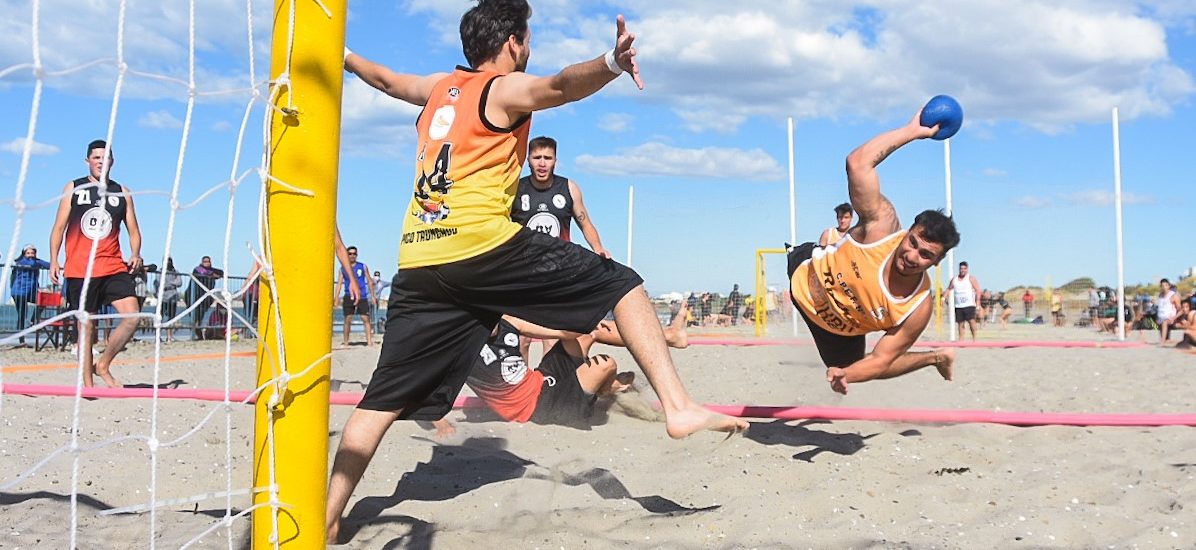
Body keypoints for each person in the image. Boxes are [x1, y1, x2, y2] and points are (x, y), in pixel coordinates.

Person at [330, 4, 745, 542]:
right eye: (526, 38)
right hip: (481, 246)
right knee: (622, 282)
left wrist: (340, 55)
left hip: (419, 258)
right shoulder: (500, 88)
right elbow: (560, 86)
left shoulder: (438, 87)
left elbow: (386, 80)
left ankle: (328, 514)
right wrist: (611, 63)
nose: (529, 47)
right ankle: (679, 406)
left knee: (380, 401)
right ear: (511, 42)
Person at [787, 108, 959, 395]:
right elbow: (858, 163)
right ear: (907, 232)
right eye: (913, 243)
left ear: (938, 262)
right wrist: (911, 132)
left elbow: (881, 360)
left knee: (867, 367)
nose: (912, 256)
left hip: (837, 334)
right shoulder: (882, 225)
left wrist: (848, 375)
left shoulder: (917, 308)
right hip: (804, 275)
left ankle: (935, 357)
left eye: (926, 255)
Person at [433, 308, 692, 434]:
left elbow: (558, 330)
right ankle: (607, 386)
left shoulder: (508, 320)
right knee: (607, 364)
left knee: (593, 329)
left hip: (542, 378)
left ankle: (668, 336)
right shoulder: (459, 348)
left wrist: (579, 323)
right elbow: (428, 383)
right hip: (540, 408)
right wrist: (441, 423)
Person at [48, 139, 143, 387]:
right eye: (96, 157)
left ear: (112, 161)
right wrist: (53, 260)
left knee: (132, 316)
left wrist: (136, 253)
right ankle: (87, 384)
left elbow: (133, 230)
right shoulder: (75, 187)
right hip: (81, 268)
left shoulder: (122, 192)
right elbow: (59, 227)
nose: (101, 162)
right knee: (86, 326)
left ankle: (103, 364)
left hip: (112, 265)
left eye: (105, 157)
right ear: (88, 161)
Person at [511, 136, 610, 258]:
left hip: (560, 264)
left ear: (555, 161)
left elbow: (586, 224)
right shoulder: (515, 189)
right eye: (537, 158)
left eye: (547, 158)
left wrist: (598, 248)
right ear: (528, 160)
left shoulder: (570, 188)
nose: (542, 163)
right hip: (524, 263)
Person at [9, 244, 50, 347]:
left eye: (32, 253)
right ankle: (21, 340)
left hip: (30, 292)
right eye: (28, 253)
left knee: (43, 301)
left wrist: (40, 262)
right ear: (24, 254)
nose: (31, 255)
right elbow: (31, 264)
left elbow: (49, 265)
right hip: (19, 292)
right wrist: (38, 261)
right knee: (22, 314)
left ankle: (33, 321)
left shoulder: (36, 262)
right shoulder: (21, 262)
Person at [333, 245, 374, 346]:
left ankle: (369, 342)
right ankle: (346, 342)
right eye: (350, 254)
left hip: (362, 295)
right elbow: (339, 283)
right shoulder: (343, 268)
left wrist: (373, 295)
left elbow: (369, 281)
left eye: (354, 254)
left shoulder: (362, 266)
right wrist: (336, 297)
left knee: (365, 318)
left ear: (357, 255)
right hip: (348, 295)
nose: (352, 256)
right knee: (348, 319)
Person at [944, 261, 981, 341]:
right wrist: (943, 298)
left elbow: (978, 290)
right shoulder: (954, 279)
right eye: (961, 268)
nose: (962, 270)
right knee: (960, 323)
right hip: (959, 305)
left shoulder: (971, 278)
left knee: (971, 321)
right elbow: (949, 288)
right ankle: (961, 340)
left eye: (964, 269)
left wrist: (978, 303)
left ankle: (975, 339)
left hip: (969, 304)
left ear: (967, 269)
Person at [189, 256, 224, 340]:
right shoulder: (197, 269)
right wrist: (213, 275)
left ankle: (199, 335)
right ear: (202, 262)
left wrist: (214, 274)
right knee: (195, 316)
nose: (206, 263)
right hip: (195, 296)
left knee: (201, 316)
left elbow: (221, 272)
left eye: (208, 261)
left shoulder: (211, 269)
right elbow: (204, 272)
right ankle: (196, 334)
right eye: (205, 261)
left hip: (206, 297)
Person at [153, 257, 183, 343]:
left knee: (171, 317)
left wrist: (170, 283)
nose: (168, 263)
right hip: (162, 296)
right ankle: (157, 336)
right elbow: (159, 281)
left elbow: (179, 282)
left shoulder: (175, 271)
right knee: (160, 317)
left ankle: (170, 337)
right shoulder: (160, 271)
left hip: (172, 296)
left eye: (170, 261)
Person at [1156, 278, 1182, 343]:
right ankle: (1166, 340)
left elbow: (1181, 310)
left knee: (1164, 322)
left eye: (1165, 285)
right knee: (1157, 321)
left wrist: (1174, 318)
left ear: (1169, 286)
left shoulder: (1173, 295)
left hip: (1171, 317)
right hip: (1161, 317)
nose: (1164, 287)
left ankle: (1162, 341)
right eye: (1162, 285)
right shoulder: (1160, 295)